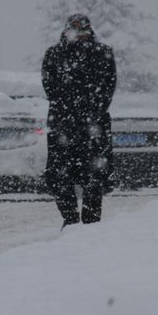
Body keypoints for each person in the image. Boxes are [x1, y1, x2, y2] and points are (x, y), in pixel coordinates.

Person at [42, 14, 116, 227]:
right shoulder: (54, 54)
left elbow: (108, 88)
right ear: (66, 31)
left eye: (82, 29)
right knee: (59, 175)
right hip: (62, 124)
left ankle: (92, 223)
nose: (79, 33)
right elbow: (50, 87)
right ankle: (70, 219)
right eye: (74, 29)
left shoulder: (102, 53)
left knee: (94, 177)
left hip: (93, 125)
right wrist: (67, 109)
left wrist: (91, 111)